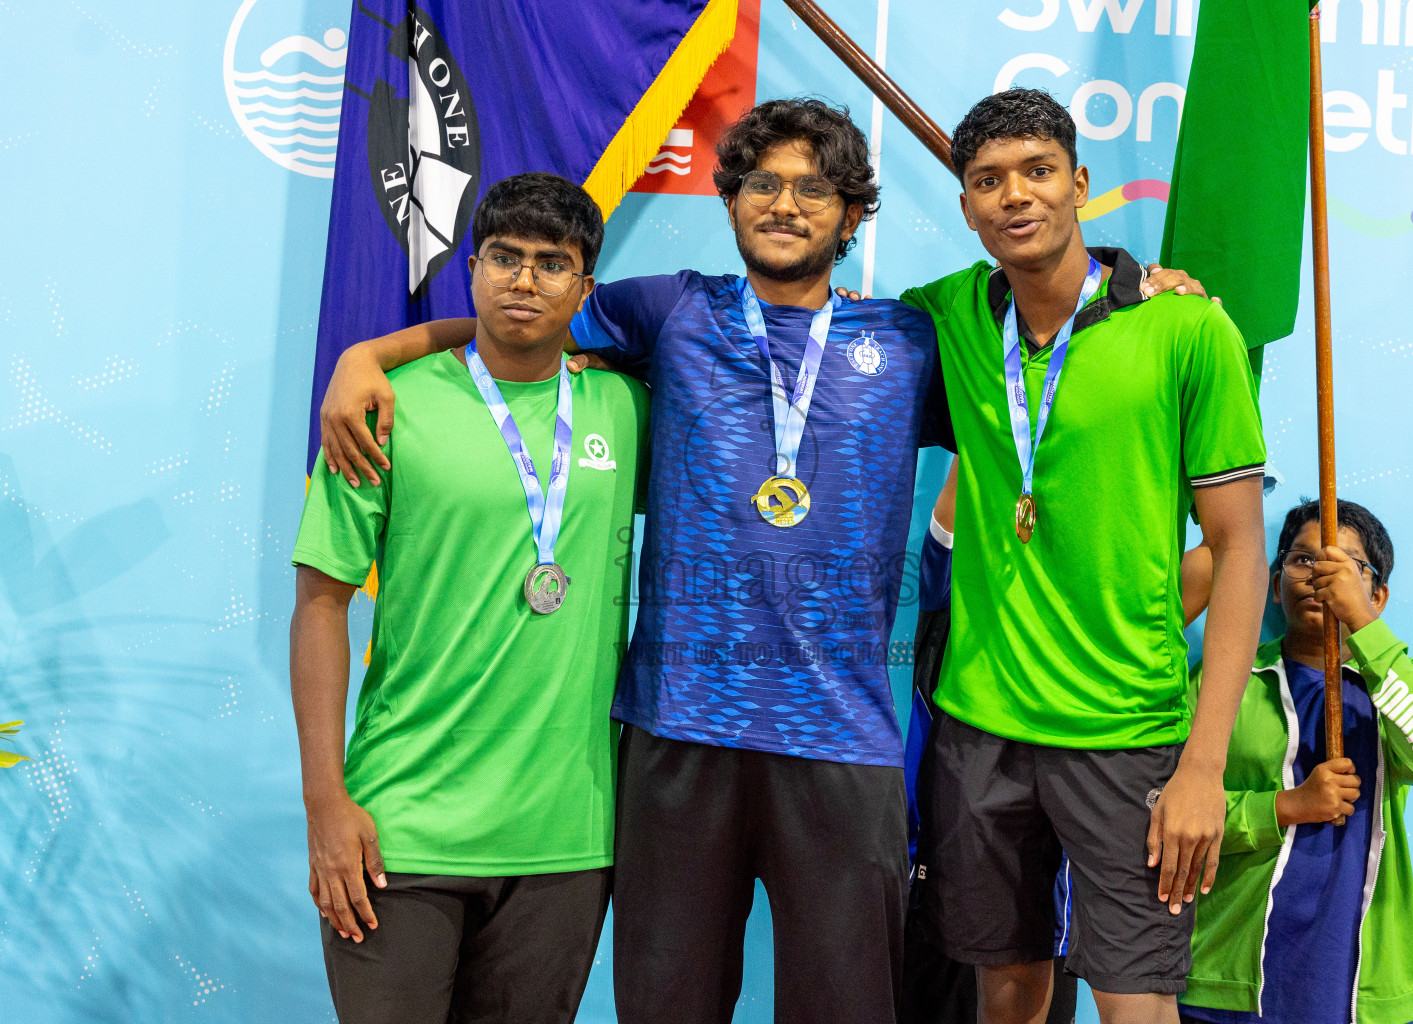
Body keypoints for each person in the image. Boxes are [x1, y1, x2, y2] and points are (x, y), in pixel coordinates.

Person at [315, 98, 1205, 1024]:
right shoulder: (668, 310)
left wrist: (1138, 286)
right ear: (730, 201)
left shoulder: (913, 341)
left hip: (843, 744)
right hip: (678, 734)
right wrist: (369, 354)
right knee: (668, 1008)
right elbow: (523, 322)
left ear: (854, 215)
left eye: (813, 188)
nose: (785, 204)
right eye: (762, 185)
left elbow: (1039, 341)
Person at [901, 88, 1269, 1024]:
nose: (1014, 197)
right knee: (1008, 991)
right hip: (980, 727)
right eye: (987, 180)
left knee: (1135, 1003)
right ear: (966, 204)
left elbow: (1237, 551)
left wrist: (1202, 767)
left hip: (1126, 732)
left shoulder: (1187, 328)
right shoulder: (943, 316)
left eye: (1037, 171)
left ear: (1081, 184)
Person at [287, 173, 648, 1024]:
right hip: (401, 829)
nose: (524, 280)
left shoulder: (628, 408)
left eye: (551, 264)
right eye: (504, 258)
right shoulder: (381, 410)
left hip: (565, 839)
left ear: (584, 289)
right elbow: (319, 607)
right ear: (472, 270)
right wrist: (325, 803)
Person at [1177, 499, 1413, 1024]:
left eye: (1347, 566)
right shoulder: (1221, 683)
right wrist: (1284, 807)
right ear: (1272, 579)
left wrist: (1361, 625)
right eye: (1302, 559)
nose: (1320, 575)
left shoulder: (1399, 681)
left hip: (1355, 982)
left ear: (1378, 594)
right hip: (1227, 974)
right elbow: (1173, 814)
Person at [901, 460, 1077, 1024]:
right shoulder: (951, 585)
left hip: (1034, 883)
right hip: (932, 867)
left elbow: (1208, 569)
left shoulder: (1080, 623)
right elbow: (971, 467)